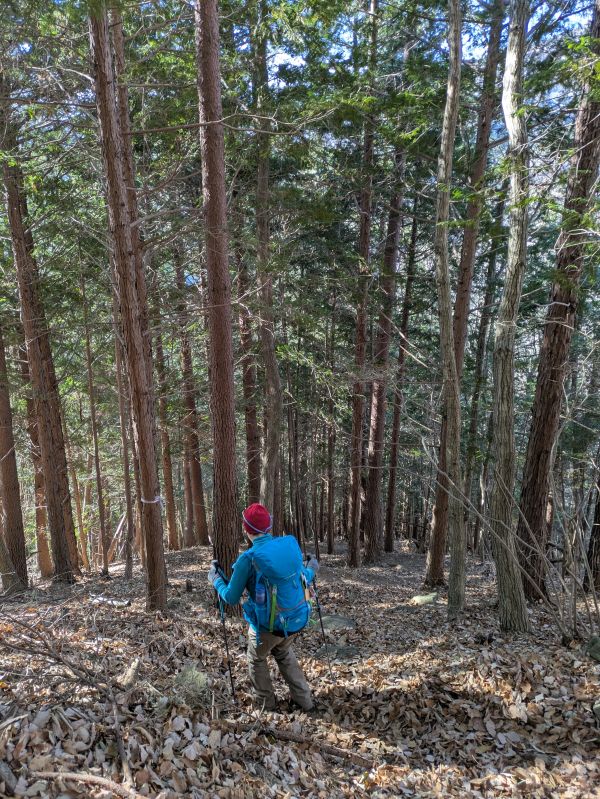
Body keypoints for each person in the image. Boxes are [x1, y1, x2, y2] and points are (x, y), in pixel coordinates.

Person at [208, 502, 319, 713]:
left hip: (267, 626)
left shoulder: (248, 559)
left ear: (246, 529)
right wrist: (312, 567)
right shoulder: (288, 547)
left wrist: (215, 579)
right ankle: (305, 701)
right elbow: (303, 576)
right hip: (295, 619)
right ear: (268, 527)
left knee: (256, 658)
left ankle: (266, 705)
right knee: (283, 652)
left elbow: (231, 597)